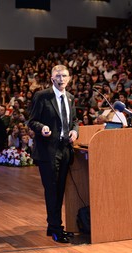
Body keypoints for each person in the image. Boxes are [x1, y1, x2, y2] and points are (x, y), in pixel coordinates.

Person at [28, 65, 79, 243]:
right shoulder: (42, 96)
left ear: (69, 78)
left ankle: (53, 227)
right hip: (47, 151)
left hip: (65, 150)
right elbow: (32, 121)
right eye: (58, 76)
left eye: (64, 76)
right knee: (52, 191)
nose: (61, 79)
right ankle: (57, 229)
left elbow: (74, 121)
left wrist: (75, 131)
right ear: (52, 79)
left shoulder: (71, 98)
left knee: (59, 190)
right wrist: (42, 128)